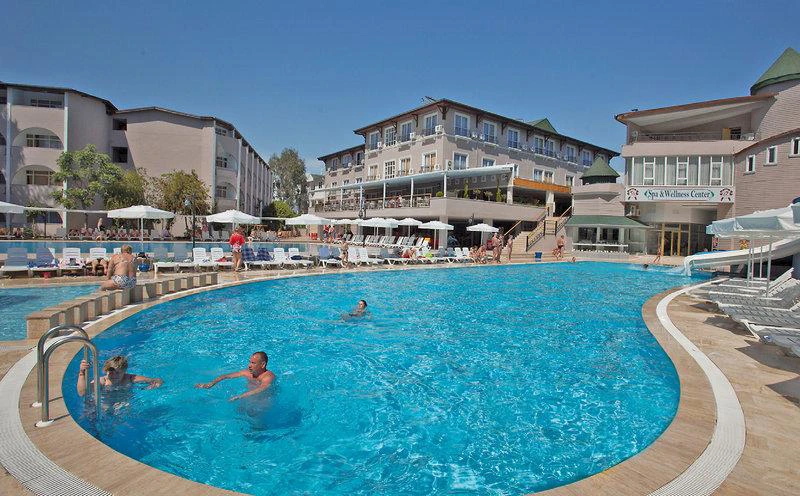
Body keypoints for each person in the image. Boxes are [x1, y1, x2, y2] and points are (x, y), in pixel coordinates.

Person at [195, 351, 275, 402]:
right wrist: (211, 383)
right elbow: (226, 376)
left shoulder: (268, 376)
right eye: (250, 362)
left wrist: (240, 396)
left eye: (253, 363)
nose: (249, 365)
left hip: (263, 400)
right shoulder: (247, 372)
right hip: (248, 396)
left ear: (262, 364)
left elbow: (262, 388)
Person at [77, 355, 162, 397]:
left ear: (124, 371)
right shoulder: (102, 382)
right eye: (111, 372)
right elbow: (82, 393)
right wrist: (82, 373)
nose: (114, 375)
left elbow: (158, 380)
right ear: (105, 371)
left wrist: (147, 389)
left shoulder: (130, 378)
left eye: (118, 373)